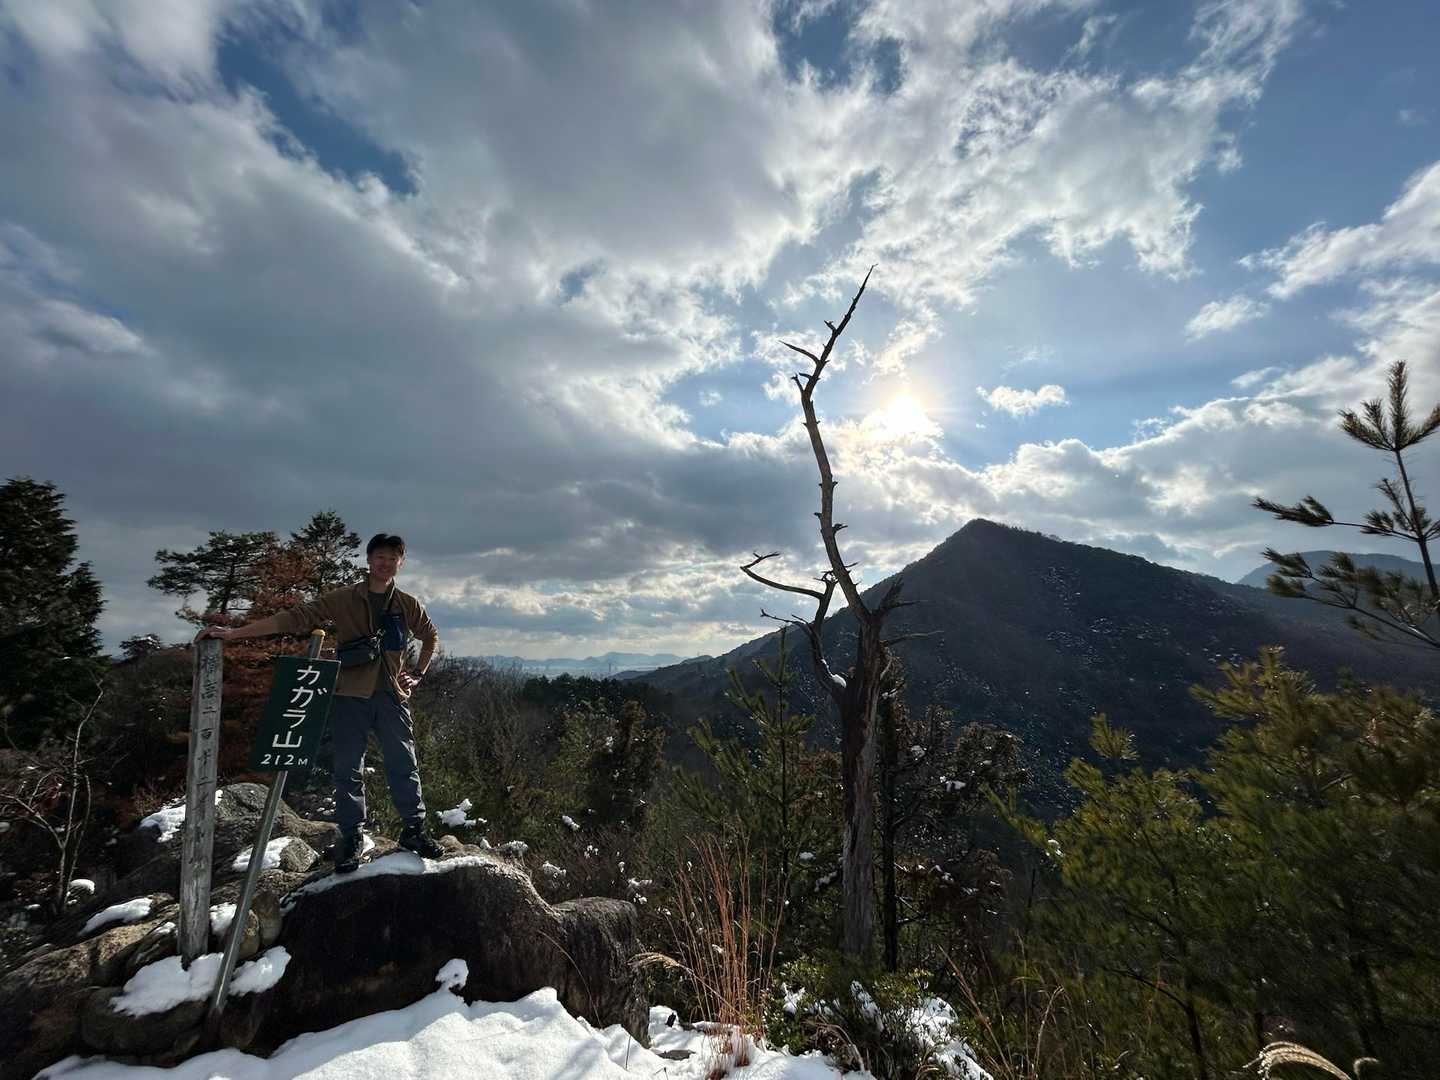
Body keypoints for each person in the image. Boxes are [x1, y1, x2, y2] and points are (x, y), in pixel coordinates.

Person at [198, 533, 444, 871]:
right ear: (369, 560)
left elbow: (430, 636)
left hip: (391, 694)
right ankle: (351, 836)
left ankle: (414, 829)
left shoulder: (406, 603)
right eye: (380, 557)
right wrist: (234, 634)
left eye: (393, 558)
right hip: (349, 694)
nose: (386, 563)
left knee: (404, 763)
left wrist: (417, 673)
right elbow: (296, 617)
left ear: (401, 563)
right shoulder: (344, 598)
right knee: (348, 767)